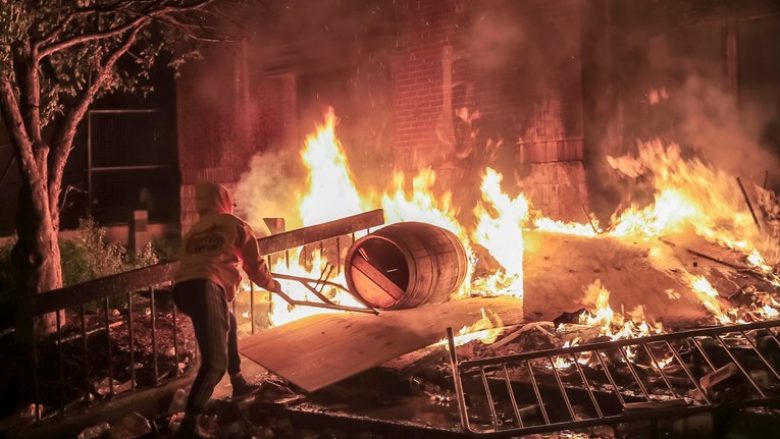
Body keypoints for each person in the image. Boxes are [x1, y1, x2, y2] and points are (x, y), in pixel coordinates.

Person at [173, 182, 282, 438]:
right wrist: (272, 284)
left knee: (229, 320)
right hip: (207, 287)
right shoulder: (236, 225)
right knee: (214, 364)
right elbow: (254, 267)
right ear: (225, 202)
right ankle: (188, 425)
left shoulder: (194, 231)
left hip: (183, 289)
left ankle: (238, 382)